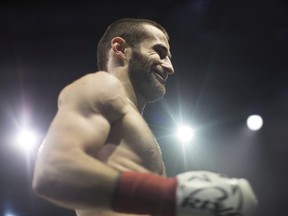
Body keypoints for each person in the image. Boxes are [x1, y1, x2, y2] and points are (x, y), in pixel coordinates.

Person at [32, 18, 257, 216]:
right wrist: (174, 196)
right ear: (120, 48)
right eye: (159, 52)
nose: (170, 67)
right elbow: (52, 172)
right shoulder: (101, 86)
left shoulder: (129, 120)